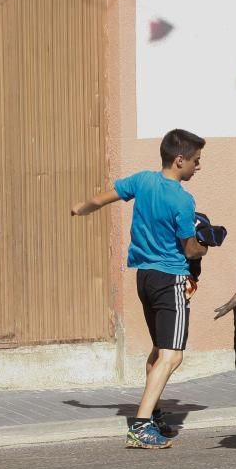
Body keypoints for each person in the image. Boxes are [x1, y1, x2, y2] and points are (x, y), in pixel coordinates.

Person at [71, 129, 208, 448]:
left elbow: (102, 198)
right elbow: (190, 250)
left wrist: (81, 208)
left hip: (144, 277)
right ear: (179, 160)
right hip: (171, 278)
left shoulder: (142, 181)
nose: (197, 167)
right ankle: (142, 425)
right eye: (195, 161)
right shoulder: (183, 200)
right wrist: (205, 244)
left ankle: (155, 414)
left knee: (160, 349)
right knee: (172, 356)